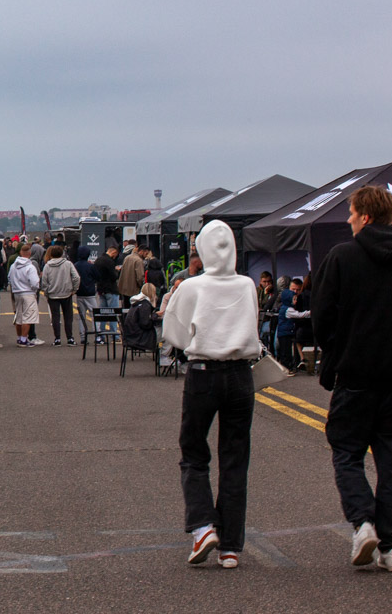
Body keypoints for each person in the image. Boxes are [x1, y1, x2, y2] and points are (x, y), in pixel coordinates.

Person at [314, 185, 392, 572]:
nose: (349, 219)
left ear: (365, 216)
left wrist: (335, 357)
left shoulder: (341, 256)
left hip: (354, 377)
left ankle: (363, 522)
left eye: (351, 213)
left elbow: (322, 319)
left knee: (347, 453)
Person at [163, 220, 260, 569]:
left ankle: (203, 525)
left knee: (193, 450)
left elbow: (172, 331)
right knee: (235, 458)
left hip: (203, 370)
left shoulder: (192, 286)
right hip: (240, 374)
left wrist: (194, 340)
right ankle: (231, 545)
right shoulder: (247, 284)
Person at [40, 245, 80, 346]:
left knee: (55, 317)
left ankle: (57, 338)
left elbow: (44, 281)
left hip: (53, 294)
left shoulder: (47, 266)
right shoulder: (68, 264)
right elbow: (76, 277)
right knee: (68, 317)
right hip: (66, 293)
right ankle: (70, 338)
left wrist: (46, 292)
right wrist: (74, 289)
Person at [8, 244, 42, 347]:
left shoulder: (13, 266)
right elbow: (35, 282)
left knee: (18, 316)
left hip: (17, 292)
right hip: (28, 293)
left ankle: (19, 338)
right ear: (29, 253)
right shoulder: (30, 267)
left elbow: (9, 278)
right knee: (28, 317)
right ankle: (24, 339)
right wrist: (34, 289)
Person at [122, 282, 160, 360]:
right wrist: (155, 316)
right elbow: (145, 324)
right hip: (139, 338)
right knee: (164, 337)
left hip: (131, 336)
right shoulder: (145, 305)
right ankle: (164, 358)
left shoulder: (136, 303)